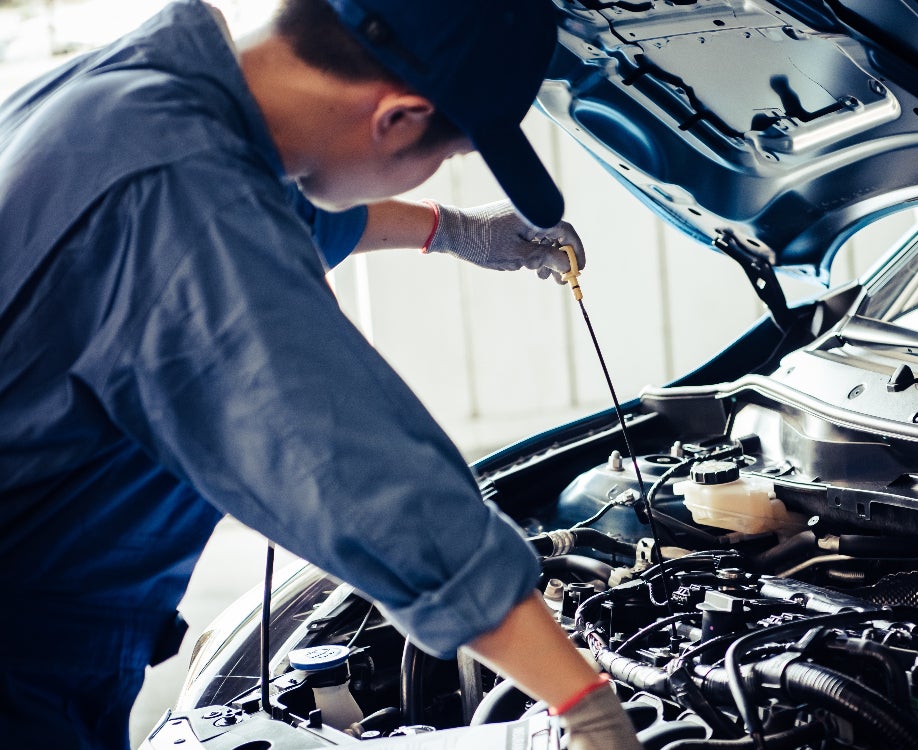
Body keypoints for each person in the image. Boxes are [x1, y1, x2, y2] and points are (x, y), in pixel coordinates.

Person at [0, 0, 642, 748]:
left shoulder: (145, 86)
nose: (438, 169)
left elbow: (264, 207)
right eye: (449, 152)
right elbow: (354, 471)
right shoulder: (177, 194)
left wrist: (454, 231)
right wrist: (588, 709)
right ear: (400, 116)